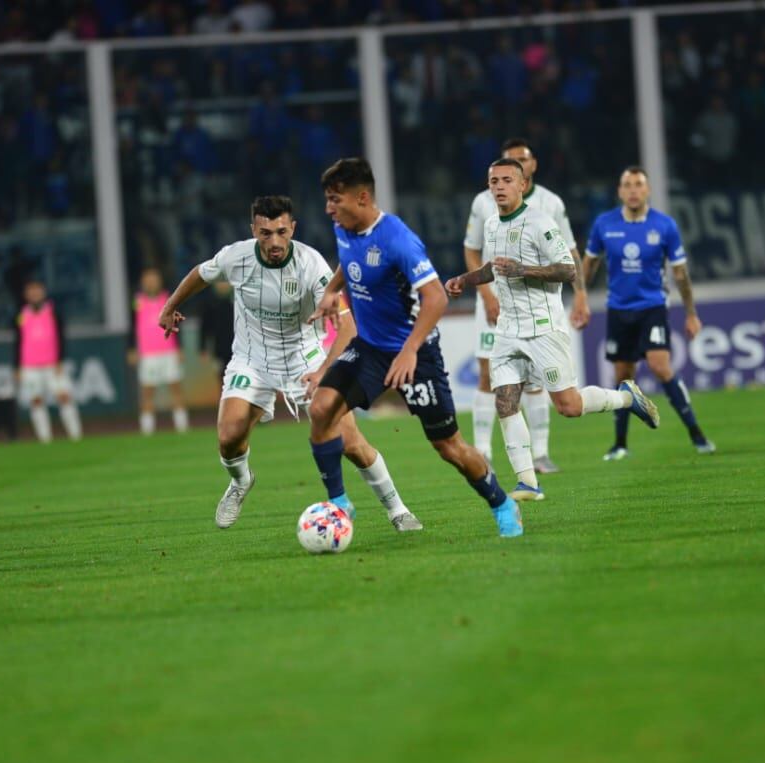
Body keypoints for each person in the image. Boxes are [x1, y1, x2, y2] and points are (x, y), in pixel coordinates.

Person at [159, 194, 422, 531]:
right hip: (251, 360)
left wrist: (323, 370)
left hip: (305, 360)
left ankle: (398, 510)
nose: (274, 241)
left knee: (350, 442)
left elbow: (347, 325)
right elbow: (201, 273)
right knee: (229, 435)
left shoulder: (312, 265)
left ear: (292, 228)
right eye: (266, 233)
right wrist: (170, 306)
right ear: (253, 229)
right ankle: (240, 482)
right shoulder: (236, 257)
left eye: (282, 232)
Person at [309, 157, 522, 537]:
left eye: (334, 200)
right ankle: (339, 505)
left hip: (417, 354)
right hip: (371, 349)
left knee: (449, 447)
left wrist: (410, 349)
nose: (328, 209)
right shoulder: (344, 227)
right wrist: (330, 291)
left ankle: (501, 503)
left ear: (361, 198)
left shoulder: (397, 239)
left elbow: (436, 296)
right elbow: (347, 259)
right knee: (322, 408)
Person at [445, 159, 659, 502]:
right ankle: (528, 482)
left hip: (543, 328)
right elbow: (494, 268)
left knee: (569, 406)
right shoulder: (490, 225)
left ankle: (625, 397)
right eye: (493, 181)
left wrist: (524, 269)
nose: (498, 187)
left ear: (521, 185)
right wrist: (464, 280)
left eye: (506, 180)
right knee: (505, 401)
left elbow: (568, 270)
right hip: (507, 330)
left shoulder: (540, 223)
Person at [463, 138, 585, 473]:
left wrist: (581, 295)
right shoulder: (486, 211)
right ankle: (501, 463)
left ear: (527, 174)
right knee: (496, 385)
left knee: (562, 400)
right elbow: (479, 254)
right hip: (500, 312)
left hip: (539, 318)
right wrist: (471, 284)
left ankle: (541, 453)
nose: (500, 185)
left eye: (511, 172)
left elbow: (569, 260)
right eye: (495, 179)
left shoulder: (547, 209)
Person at [582, 167, 716, 459]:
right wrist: (580, 299)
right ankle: (620, 444)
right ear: (619, 191)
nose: (632, 190)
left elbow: (680, 274)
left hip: (652, 307)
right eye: (627, 185)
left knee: (659, 366)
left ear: (647, 190)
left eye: (638, 185)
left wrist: (691, 314)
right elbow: (589, 264)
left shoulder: (664, 225)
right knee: (623, 375)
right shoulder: (604, 224)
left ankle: (697, 433)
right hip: (618, 310)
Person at [14, 279, 83, 442]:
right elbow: (17, 342)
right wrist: (17, 366)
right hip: (29, 365)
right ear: (26, 295)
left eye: (37, 290)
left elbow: (62, 338)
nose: (34, 294)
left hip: (52, 364)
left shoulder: (54, 313)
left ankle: (76, 436)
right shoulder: (20, 315)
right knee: (36, 400)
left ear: (43, 292)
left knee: (64, 396)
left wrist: (60, 359)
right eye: (31, 291)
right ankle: (45, 439)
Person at [129, 267, 189, 435]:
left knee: (175, 389)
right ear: (143, 282)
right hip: (147, 354)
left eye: (153, 279)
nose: (151, 283)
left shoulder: (169, 299)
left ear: (159, 281)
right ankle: (147, 431)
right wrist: (132, 348)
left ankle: (182, 428)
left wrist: (180, 348)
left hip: (169, 351)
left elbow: (178, 323)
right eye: (148, 280)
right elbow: (132, 327)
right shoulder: (137, 302)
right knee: (147, 393)